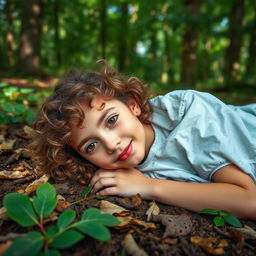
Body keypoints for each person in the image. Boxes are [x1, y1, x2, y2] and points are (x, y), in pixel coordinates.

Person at [31, 62, 256, 219]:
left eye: (111, 120)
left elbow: (250, 200)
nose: (111, 144)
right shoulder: (112, 168)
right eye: (91, 146)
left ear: (133, 105)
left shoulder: (187, 116)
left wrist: (149, 186)